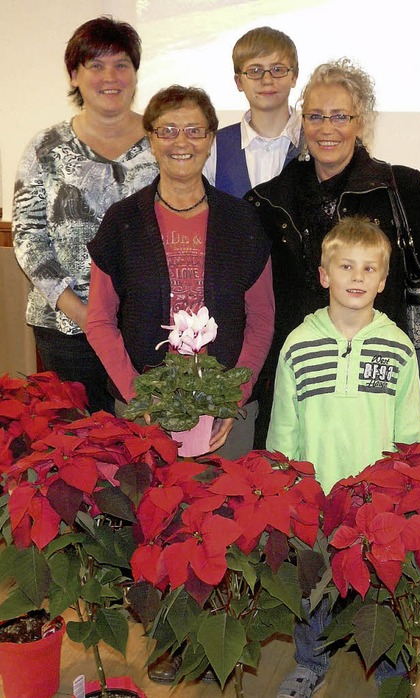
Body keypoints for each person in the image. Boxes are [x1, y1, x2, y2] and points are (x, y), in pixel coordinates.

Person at [247, 58, 420, 448]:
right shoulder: (269, 199)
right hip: (298, 374)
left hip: (375, 375)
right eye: (315, 116)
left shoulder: (399, 186)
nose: (326, 128)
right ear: (302, 123)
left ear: (360, 122)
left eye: (340, 116)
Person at [268, 216, 420, 698]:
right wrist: (284, 484)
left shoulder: (398, 347)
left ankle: (394, 671)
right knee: (313, 584)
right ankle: (311, 661)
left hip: (377, 503)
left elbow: (410, 434)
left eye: (369, 269)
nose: (356, 277)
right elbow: (283, 427)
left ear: (382, 280)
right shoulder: (298, 344)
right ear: (324, 274)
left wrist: (406, 491)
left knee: (382, 587)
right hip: (316, 496)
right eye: (346, 266)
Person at [86, 85, 273, 462]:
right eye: (167, 130)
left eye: (194, 129)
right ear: (151, 140)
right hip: (142, 413)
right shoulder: (122, 222)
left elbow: (262, 320)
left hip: (225, 417)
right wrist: (138, 396)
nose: (181, 141)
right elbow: (99, 321)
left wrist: (231, 400)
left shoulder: (243, 222)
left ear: (210, 139)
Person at [12, 16, 158, 414]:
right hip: (66, 329)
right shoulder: (46, 146)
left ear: (135, 73)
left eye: (122, 64)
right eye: (96, 65)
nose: (110, 76)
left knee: (147, 445)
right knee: (80, 447)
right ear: (74, 75)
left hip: (147, 328)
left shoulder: (163, 140)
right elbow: (27, 237)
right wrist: (84, 314)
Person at [203, 26, 301, 196]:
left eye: (278, 69)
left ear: (294, 77)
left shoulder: (317, 140)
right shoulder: (214, 147)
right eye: (255, 71)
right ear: (238, 82)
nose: (267, 80)